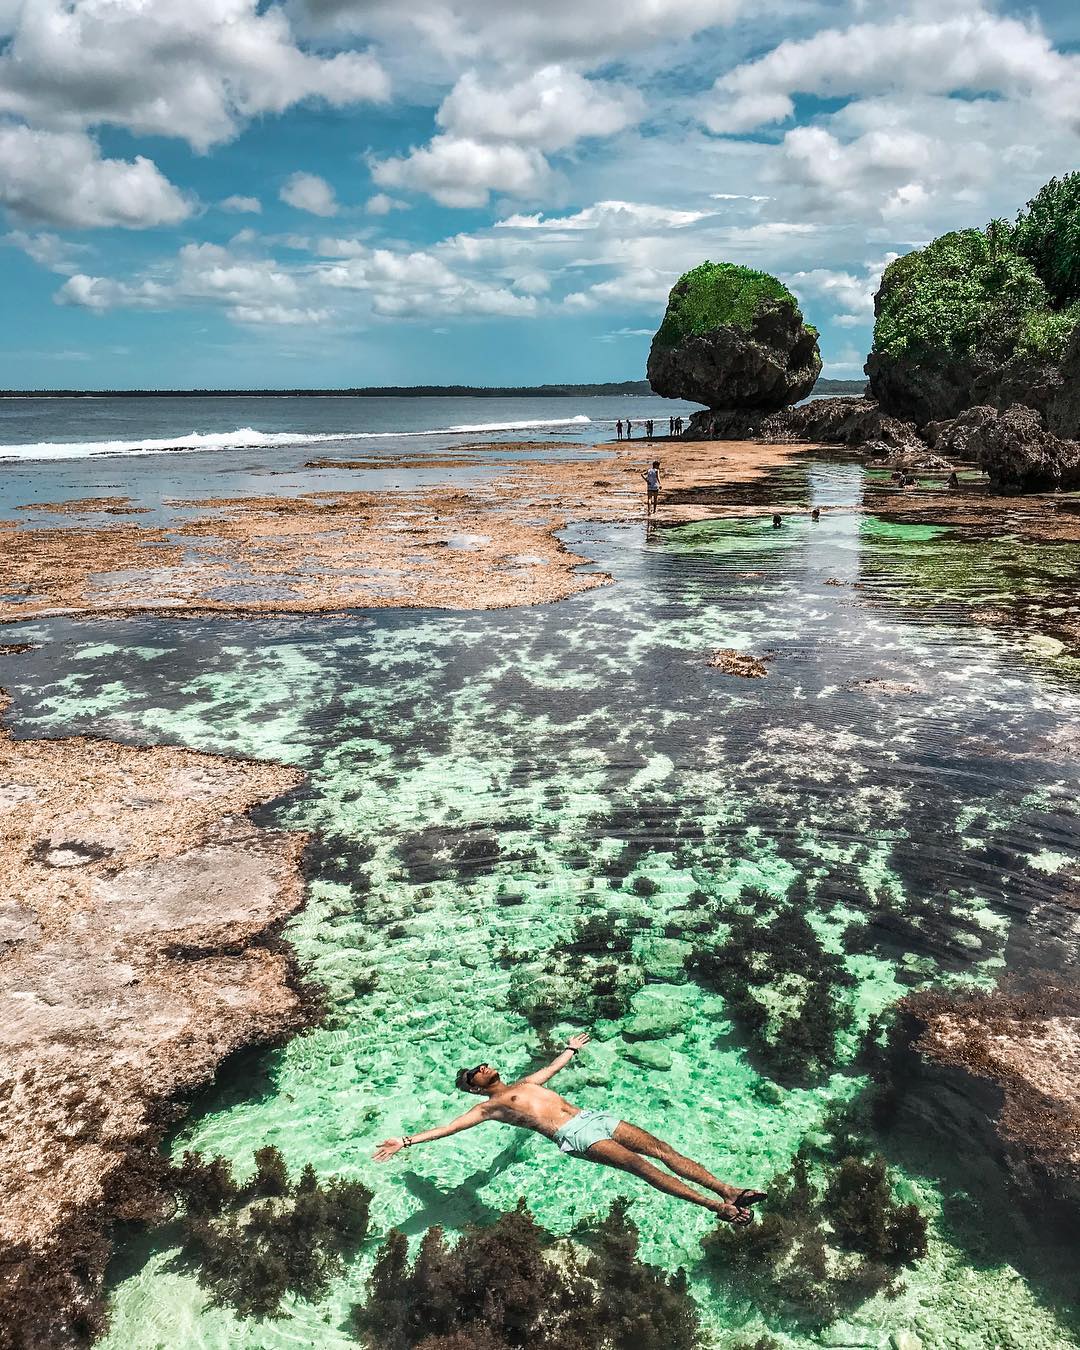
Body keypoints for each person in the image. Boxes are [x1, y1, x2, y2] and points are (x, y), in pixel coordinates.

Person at [374, 1034, 764, 1223]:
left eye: (483, 1064)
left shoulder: (527, 1083)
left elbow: (552, 1068)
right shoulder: (488, 1108)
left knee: (663, 1150)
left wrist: (572, 1049)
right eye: (478, 1070)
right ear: (475, 1085)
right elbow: (448, 1128)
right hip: (576, 1136)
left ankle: (729, 1190)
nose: (485, 1065)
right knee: (644, 1169)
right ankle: (718, 1207)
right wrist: (405, 1141)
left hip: (593, 1116)